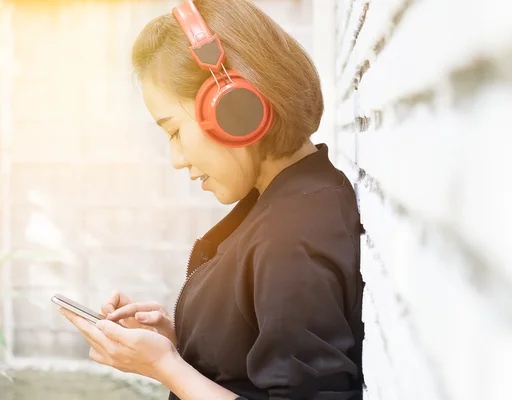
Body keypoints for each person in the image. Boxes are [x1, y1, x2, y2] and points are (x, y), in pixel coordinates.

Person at [58, 0, 364, 399]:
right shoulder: (283, 203)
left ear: (236, 108)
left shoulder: (291, 236)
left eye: (174, 131)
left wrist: (165, 367)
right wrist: (182, 346)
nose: (176, 159)